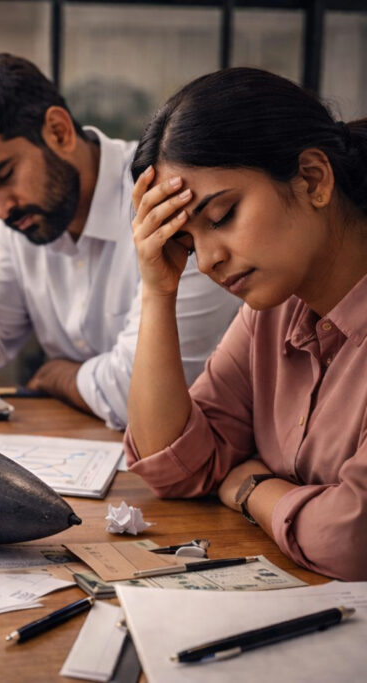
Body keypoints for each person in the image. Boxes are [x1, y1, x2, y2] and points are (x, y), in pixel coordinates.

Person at [0, 53, 240, 429]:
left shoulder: (165, 196)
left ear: (59, 131)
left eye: (4, 175)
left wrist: (57, 376)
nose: (1, 209)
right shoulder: (19, 225)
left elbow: (138, 398)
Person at [126, 67, 367, 581]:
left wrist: (252, 488)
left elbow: (351, 539)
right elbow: (175, 467)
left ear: (313, 179)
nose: (207, 260)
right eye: (187, 242)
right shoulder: (271, 311)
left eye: (222, 216)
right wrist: (157, 292)